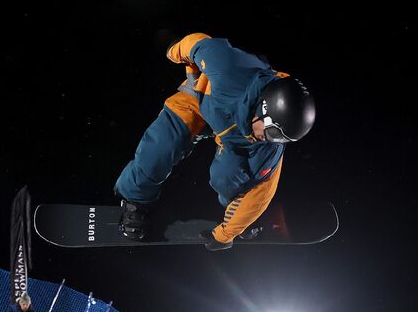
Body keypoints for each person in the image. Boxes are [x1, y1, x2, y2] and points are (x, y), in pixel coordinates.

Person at [115, 32, 316, 251]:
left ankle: (238, 218)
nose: (271, 141)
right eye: (273, 133)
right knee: (159, 149)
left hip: (232, 135)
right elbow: (200, 44)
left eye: (281, 139)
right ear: (263, 109)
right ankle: (135, 203)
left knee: (230, 177)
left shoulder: (268, 145)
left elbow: (260, 194)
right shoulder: (229, 69)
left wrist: (226, 234)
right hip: (202, 102)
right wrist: (175, 51)